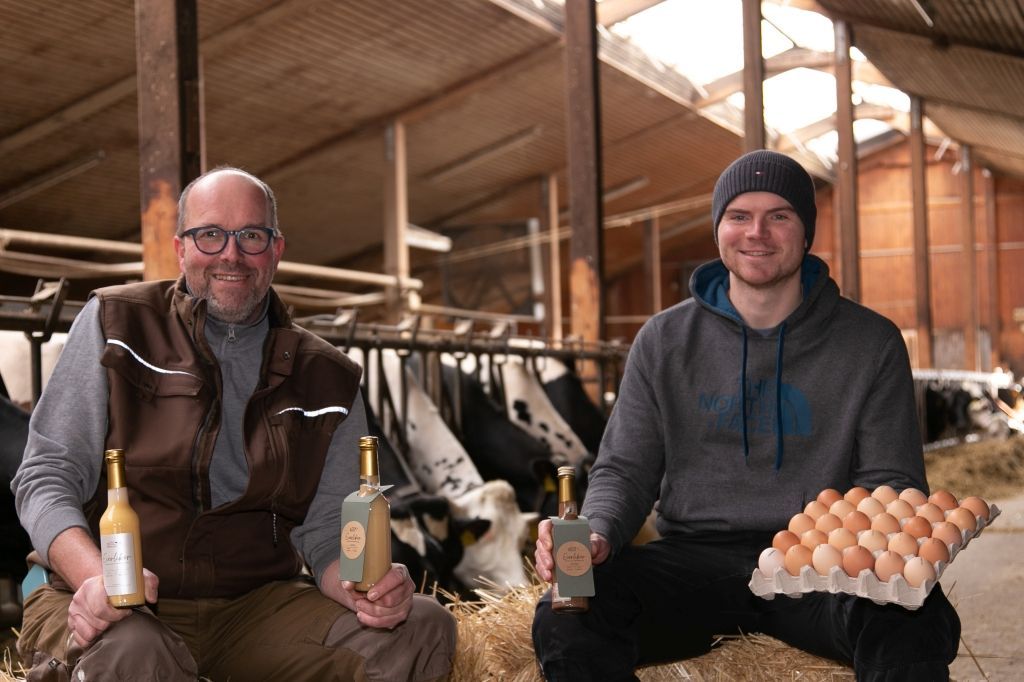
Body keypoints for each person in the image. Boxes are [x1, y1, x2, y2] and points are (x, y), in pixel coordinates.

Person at [13, 167, 456, 681]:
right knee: (136, 655)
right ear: (181, 248)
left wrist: (367, 589)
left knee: (421, 626)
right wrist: (94, 579)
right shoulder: (116, 324)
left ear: (276, 249)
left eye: (251, 235)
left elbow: (329, 531)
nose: (231, 254)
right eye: (210, 234)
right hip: (111, 600)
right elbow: (46, 476)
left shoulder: (326, 376)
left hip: (254, 609)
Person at [532, 150, 961, 681]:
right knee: (569, 614)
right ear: (718, 230)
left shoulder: (870, 343)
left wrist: (854, 552)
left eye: (779, 215)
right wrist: (594, 532)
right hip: (693, 562)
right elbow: (625, 469)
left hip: (818, 568)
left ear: (806, 233)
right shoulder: (664, 341)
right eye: (739, 216)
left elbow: (890, 483)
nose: (756, 232)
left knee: (915, 618)